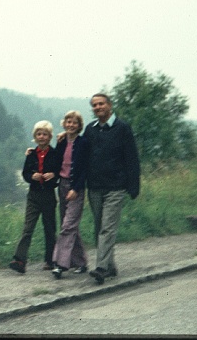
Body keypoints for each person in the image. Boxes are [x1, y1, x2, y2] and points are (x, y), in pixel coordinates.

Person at [83, 93, 141, 285]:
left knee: (107, 227)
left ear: (109, 105)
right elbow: (80, 153)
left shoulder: (122, 128)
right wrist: (65, 138)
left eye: (101, 104)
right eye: (94, 105)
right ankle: (110, 266)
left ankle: (100, 268)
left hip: (115, 187)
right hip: (95, 187)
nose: (97, 107)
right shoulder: (90, 129)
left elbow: (132, 158)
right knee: (100, 227)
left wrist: (133, 186)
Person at [9, 120, 62, 274]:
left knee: (49, 228)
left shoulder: (54, 154)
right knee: (27, 228)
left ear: (50, 136)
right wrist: (32, 176)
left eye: (45, 134)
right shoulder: (31, 154)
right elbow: (25, 174)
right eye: (39, 134)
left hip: (48, 196)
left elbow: (60, 172)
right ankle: (20, 260)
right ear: (35, 136)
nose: (41, 137)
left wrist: (53, 175)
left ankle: (50, 260)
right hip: (33, 195)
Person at [50, 110, 91, 279]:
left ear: (79, 125)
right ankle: (81, 262)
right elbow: (54, 160)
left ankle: (60, 264)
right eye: (68, 122)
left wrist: (76, 188)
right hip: (63, 186)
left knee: (67, 226)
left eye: (74, 123)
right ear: (64, 124)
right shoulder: (61, 142)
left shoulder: (84, 143)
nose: (71, 125)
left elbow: (85, 169)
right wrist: (33, 151)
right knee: (69, 226)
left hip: (76, 189)